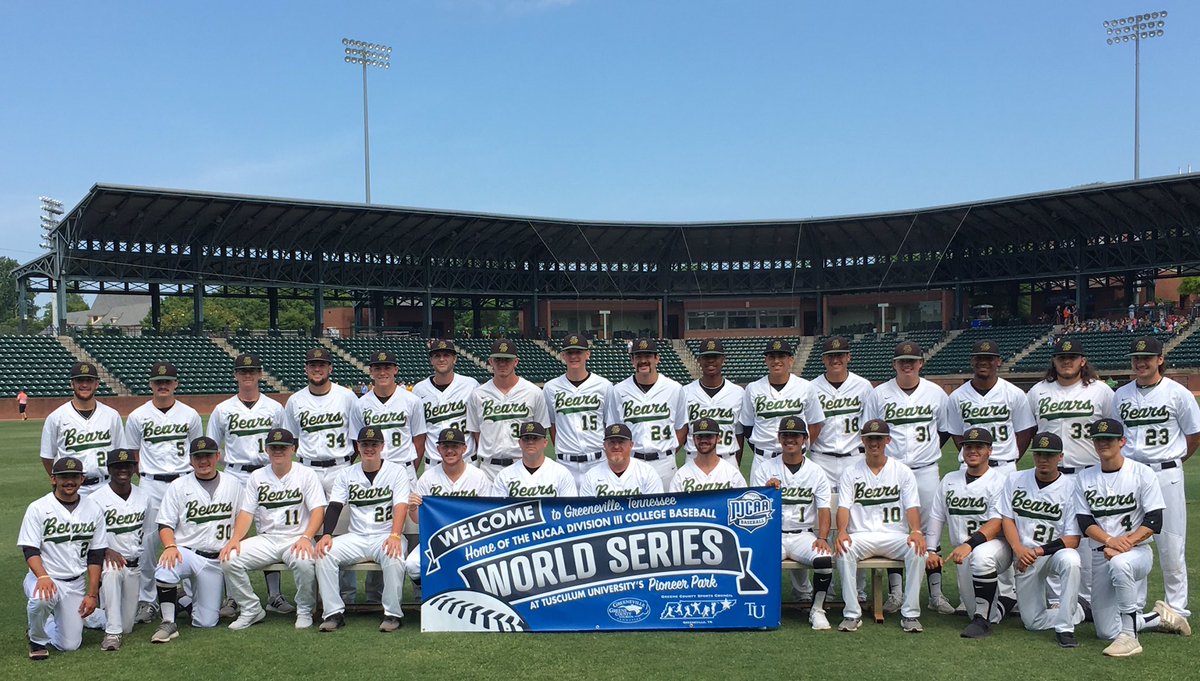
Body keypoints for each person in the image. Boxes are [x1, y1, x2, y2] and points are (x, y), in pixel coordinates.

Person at [1075, 418, 1190, 656]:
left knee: (1119, 562)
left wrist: (1123, 545)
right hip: (1101, 554)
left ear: (1122, 441)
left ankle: (1130, 637)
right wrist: (1110, 541)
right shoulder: (1085, 477)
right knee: (1105, 631)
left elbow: (1154, 521)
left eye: (1109, 439)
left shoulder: (1142, 472)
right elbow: (1085, 522)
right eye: (1098, 440)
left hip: (1137, 553)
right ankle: (1158, 618)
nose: (1103, 444)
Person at [1114, 335, 1200, 623]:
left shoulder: (1178, 393)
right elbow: (1117, 435)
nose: (1140, 363)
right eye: (1136, 358)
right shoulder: (1121, 395)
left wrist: (1172, 461)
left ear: (1159, 359)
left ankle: (1177, 609)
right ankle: (1134, 606)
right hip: (1133, 474)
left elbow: (1193, 435)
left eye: (1147, 358)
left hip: (1166, 473)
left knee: (1171, 542)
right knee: (1133, 540)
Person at [861, 342, 952, 615]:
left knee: (929, 530)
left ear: (921, 363)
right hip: (893, 470)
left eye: (912, 360)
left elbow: (944, 431)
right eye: (902, 360)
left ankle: (936, 592)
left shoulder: (936, 393)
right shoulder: (879, 394)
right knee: (895, 528)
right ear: (894, 364)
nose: (907, 365)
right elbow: (870, 433)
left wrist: (927, 452)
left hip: (925, 469)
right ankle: (896, 593)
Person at [1026, 336, 1115, 610]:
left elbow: (1113, 430)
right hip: (1053, 475)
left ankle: (1087, 600)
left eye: (1072, 357)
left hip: (1089, 473)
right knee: (1054, 535)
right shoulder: (1038, 391)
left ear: (1082, 361)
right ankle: (1056, 600)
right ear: (1054, 361)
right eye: (1062, 358)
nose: (1067, 361)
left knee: (1089, 540)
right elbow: (1029, 430)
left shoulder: (1101, 391)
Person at [206, 353, 287, 617]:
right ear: (236, 375)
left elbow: (284, 443)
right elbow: (211, 447)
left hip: (267, 472)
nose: (248, 376)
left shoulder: (274, 408)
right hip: (235, 473)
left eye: (252, 371)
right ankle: (232, 597)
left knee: (270, 528)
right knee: (231, 532)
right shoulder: (223, 409)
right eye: (243, 371)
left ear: (260, 374)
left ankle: (274, 595)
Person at [221, 428, 326, 630]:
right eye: (274, 447)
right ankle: (251, 609)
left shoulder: (306, 474)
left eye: (283, 447)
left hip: (296, 537)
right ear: (267, 450)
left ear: (293, 449)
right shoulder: (257, 476)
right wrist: (235, 539)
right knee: (229, 559)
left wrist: (307, 537)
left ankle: (304, 609)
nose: (278, 451)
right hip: (266, 539)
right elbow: (246, 513)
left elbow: (318, 510)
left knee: (304, 563)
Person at [123, 362, 203, 624]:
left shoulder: (189, 415)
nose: (163, 385)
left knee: (189, 539)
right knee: (147, 544)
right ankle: (148, 600)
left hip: (183, 481)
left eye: (167, 381)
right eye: (158, 381)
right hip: (151, 483)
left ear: (176, 383)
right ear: (151, 384)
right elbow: (133, 454)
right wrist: (146, 477)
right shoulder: (137, 416)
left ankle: (192, 597)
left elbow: (197, 453)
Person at [835, 419, 927, 633]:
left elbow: (912, 506)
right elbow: (843, 507)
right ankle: (852, 613)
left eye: (878, 438)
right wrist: (841, 531)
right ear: (862, 441)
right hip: (861, 536)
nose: (873, 443)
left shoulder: (902, 471)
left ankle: (910, 614)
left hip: (894, 535)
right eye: (869, 439)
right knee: (844, 549)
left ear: (887, 440)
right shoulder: (851, 472)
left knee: (918, 549)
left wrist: (916, 531)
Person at [315, 426, 410, 632]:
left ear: (382, 446)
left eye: (374, 444)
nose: (369, 448)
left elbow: (401, 506)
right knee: (324, 553)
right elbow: (335, 506)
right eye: (365, 444)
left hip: (385, 534)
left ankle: (393, 614)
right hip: (356, 537)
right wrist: (327, 535)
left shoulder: (396, 472)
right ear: (358, 447)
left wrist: (395, 534)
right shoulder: (346, 474)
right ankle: (333, 613)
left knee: (394, 554)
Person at [923, 428, 1013, 639]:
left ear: (989, 451)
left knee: (982, 557)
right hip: (963, 553)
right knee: (978, 610)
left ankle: (982, 621)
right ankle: (1008, 601)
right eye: (968, 446)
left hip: (996, 547)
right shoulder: (949, 480)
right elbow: (936, 517)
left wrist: (970, 544)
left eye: (979, 446)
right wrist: (930, 550)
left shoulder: (1000, 481)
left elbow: (997, 523)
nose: (973, 450)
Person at [997, 432, 1085, 648]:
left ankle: (1065, 627)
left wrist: (1036, 552)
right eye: (1039, 454)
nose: (1043, 459)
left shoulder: (1072, 487)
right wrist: (1019, 550)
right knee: (1032, 622)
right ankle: (1078, 610)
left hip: (1053, 554)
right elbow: (1007, 518)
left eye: (1049, 455)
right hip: (1024, 556)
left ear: (1060, 457)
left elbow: (1073, 539)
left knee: (1071, 560)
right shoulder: (1015, 479)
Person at [150, 437, 241, 643]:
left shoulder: (233, 484)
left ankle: (181, 599)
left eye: (208, 456)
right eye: (198, 457)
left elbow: (243, 518)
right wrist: (170, 546)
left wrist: (236, 540)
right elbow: (165, 523)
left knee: (206, 622)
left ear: (217, 457)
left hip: (217, 558)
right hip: (187, 552)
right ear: (191, 460)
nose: (203, 461)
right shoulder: (179, 485)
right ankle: (168, 622)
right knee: (166, 566)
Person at [19, 456, 107, 660]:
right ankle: (37, 640)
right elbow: (30, 549)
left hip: (74, 584)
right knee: (42, 599)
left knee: (70, 645)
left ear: (82, 479)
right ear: (53, 479)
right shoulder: (38, 508)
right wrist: (42, 577)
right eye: (64, 476)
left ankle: (44, 623)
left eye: (74, 476)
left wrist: (92, 594)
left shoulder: (93, 509)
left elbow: (96, 555)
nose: (69, 481)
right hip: (43, 577)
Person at [751, 415, 834, 631]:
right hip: (772, 535)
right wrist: (765, 493)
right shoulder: (765, 469)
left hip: (802, 535)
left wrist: (823, 538)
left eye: (795, 436)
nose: (790, 440)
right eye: (786, 435)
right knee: (753, 560)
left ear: (805, 438)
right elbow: (752, 511)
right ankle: (762, 608)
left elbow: (824, 509)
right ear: (779, 438)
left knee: (824, 560)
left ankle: (817, 609)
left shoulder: (815, 471)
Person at [404, 427, 492, 586]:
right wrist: (412, 508)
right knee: (413, 565)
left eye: (455, 446)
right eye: (445, 447)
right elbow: (417, 520)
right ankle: (431, 594)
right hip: (437, 540)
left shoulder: (478, 477)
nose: (450, 451)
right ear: (438, 449)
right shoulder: (428, 478)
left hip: (471, 539)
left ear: (464, 449)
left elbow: (486, 514)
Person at [944, 340, 1037, 476]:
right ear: (972, 361)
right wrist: (973, 457)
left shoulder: (1014, 393)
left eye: (989, 358)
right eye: (978, 358)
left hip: (1004, 466)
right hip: (970, 467)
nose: (983, 362)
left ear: (998, 361)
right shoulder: (957, 396)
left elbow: (1025, 431)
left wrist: (1012, 458)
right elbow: (957, 433)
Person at [604, 338, 687, 489]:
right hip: (632, 462)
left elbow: (681, 428)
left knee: (665, 510)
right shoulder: (619, 390)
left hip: (665, 463)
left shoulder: (674, 389)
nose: (643, 361)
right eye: (638, 357)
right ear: (632, 360)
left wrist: (668, 451)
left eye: (648, 356)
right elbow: (614, 428)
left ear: (657, 358)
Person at [741, 339, 825, 481]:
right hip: (763, 459)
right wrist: (763, 447)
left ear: (791, 360)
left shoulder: (805, 387)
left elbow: (815, 424)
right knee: (763, 502)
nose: (776, 361)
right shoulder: (752, 388)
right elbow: (747, 427)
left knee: (797, 502)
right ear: (766, 360)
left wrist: (799, 446)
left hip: (796, 458)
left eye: (781, 356)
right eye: (772, 357)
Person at [90, 448, 148, 651]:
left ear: (134, 468)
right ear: (109, 469)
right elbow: (88, 537)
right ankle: (111, 634)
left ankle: (83, 615)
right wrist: (105, 551)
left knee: (128, 626)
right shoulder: (95, 499)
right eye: (117, 466)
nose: (122, 470)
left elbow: (146, 531)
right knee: (112, 572)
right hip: (110, 563)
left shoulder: (144, 496)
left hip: (134, 565)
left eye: (127, 466)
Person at [468, 340, 550, 482]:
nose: (502, 363)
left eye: (507, 359)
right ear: (490, 361)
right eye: (498, 359)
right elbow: (476, 432)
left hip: (523, 465)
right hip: (489, 468)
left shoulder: (533, 392)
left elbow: (541, 430)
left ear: (516, 362)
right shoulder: (478, 395)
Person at [40, 362, 125, 499]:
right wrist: (62, 482)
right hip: (73, 489)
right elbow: (47, 457)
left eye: (89, 380)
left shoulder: (111, 416)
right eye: (80, 380)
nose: (84, 385)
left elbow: (120, 453)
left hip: (106, 486)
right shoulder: (56, 417)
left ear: (97, 384)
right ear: (72, 384)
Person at [543, 333, 612, 485]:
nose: (574, 356)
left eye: (578, 352)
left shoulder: (604, 385)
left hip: (598, 461)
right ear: (563, 355)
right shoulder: (550, 388)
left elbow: (609, 423)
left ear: (587, 354)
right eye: (569, 352)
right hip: (565, 464)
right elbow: (552, 425)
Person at [412, 339, 479, 468]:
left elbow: (478, 427)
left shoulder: (470, 385)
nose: (442, 359)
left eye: (446, 355)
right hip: (434, 464)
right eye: (437, 356)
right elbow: (419, 434)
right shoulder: (419, 390)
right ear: (431, 360)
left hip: (467, 461)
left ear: (454, 359)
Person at [360, 350, 427, 478]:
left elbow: (419, 440)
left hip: (404, 466)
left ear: (395, 370)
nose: (382, 372)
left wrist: (411, 468)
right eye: (377, 368)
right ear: (371, 371)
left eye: (387, 368)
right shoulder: (360, 404)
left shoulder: (412, 401)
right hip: (375, 469)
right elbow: (358, 442)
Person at [679, 339, 745, 465]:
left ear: (723, 359)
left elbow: (739, 433)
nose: (710, 360)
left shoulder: (738, 393)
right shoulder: (685, 392)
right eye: (706, 357)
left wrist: (736, 464)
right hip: (694, 458)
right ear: (699, 360)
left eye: (715, 356)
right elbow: (683, 430)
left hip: (727, 458)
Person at [491, 422, 577, 498]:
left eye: (535, 438)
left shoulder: (561, 474)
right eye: (526, 438)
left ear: (545, 442)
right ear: (519, 443)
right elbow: (497, 510)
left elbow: (568, 509)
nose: (530, 442)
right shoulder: (504, 476)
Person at [579, 423, 664, 497]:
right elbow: (586, 513)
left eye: (621, 442)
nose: (616, 446)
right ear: (604, 445)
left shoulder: (648, 474)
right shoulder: (591, 477)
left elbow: (655, 510)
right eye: (612, 442)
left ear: (631, 445)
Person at [669, 418, 747, 493]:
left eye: (709, 436)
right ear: (693, 439)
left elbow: (743, 501)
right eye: (699, 437)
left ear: (718, 438)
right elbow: (674, 505)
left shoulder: (732, 474)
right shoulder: (681, 475)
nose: (704, 440)